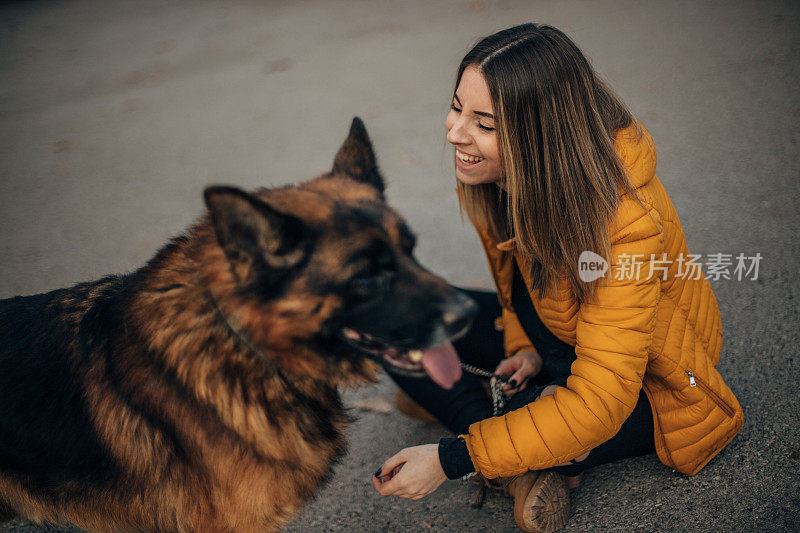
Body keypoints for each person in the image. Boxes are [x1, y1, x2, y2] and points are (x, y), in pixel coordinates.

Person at [371, 23, 743, 533]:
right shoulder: (497, 175)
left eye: (485, 123)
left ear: (540, 136)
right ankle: (513, 447)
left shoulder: (624, 223)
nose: (456, 132)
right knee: (384, 314)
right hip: (561, 332)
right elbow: (516, 289)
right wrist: (522, 347)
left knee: (534, 418)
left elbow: (600, 401)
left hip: (649, 383)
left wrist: (451, 460)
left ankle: (485, 436)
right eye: (458, 107)